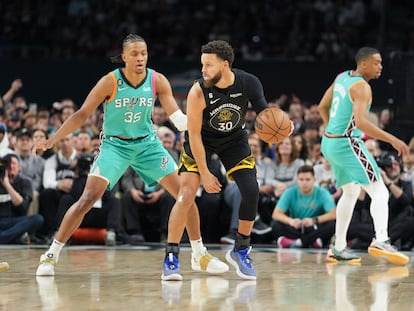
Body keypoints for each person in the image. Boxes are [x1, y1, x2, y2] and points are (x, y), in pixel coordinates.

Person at [34, 34, 225, 276]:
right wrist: (52, 139)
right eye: (134, 54)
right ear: (124, 57)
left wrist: (205, 122)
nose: (140, 58)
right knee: (88, 198)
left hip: (147, 145)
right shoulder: (110, 82)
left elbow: (178, 120)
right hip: (115, 145)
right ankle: (51, 255)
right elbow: (82, 114)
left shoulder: (158, 80)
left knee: (184, 194)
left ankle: (200, 255)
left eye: (143, 53)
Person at [165, 40, 271, 280]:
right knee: (186, 195)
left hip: (234, 140)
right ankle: (171, 256)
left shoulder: (249, 83)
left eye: (208, 65)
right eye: (202, 64)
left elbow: (265, 113)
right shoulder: (197, 91)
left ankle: (241, 249)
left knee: (251, 191)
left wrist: (281, 125)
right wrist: (204, 172)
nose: (203, 70)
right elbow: (192, 135)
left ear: (225, 65)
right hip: (201, 140)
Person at [318, 46, 410, 265]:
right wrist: (393, 139)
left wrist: (331, 130)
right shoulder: (362, 88)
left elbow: (323, 106)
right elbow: (361, 123)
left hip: (329, 142)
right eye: (377, 63)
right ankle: (381, 240)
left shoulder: (342, 77)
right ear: (364, 64)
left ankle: (338, 248)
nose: (381, 67)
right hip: (347, 143)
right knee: (380, 191)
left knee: (350, 193)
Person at [271, 165, 336, 249]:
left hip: (314, 227)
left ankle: (298, 242)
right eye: (301, 179)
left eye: (308, 179)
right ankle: (311, 241)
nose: (304, 182)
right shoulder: (289, 192)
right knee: (275, 224)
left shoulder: (323, 193)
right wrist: (291, 221)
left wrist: (314, 220)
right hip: (296, 227)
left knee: (332, 225)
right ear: (297, 180)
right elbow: (276, 214)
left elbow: (334, 214)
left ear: (314, 180)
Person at [0, 153, 44, 244]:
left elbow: (23, 206)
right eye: (8, 164)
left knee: (37, 219)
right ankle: (13, 237)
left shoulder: (25, 182)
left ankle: (4, 237)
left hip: (17, 222)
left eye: (14, 163)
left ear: (19, 167)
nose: (11, 166)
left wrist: (7, 184)